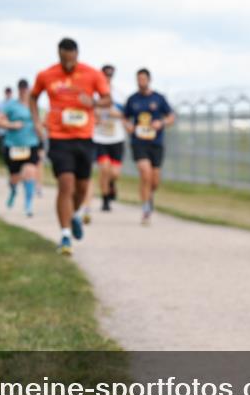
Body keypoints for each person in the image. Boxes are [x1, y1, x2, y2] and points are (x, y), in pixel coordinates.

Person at [30, 38, 111, 255]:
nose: (67, 64)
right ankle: (65, 235)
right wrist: (37, 122)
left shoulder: (92, 74)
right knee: (66, 184)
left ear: (77, 55)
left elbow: (107, 99)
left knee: (82, 188)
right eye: (63, 59)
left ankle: (74, 215)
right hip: (59, 138)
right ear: (58, 55)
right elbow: (33, 97)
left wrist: (93, 102)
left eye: (71, 59)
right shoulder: (46, 75)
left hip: (84, 137)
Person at [123, 68, 174, 225]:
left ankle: (149, 196)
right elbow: (125, 118)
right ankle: (145, 209)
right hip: (139, 142)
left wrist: (162, 123)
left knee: (154, 180)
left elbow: (171, 116)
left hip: (156, 143)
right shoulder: (132, 99)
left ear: (149, 80)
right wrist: (128, 126)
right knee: (145, 173)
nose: (141, 82)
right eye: (138, 79)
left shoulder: (159, 98)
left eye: (143, 79)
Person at [0, 79, 41, 217]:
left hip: (31, 144)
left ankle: (28, 205)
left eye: (26, 88)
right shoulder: (11, 105)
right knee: (14, 177)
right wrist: (11, 125)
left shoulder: (34, 105)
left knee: (30, 172)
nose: (24, 91)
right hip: (13, 145)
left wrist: (40, 132)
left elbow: (38, 122)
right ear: (18, 90)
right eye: (22, 88)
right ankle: (13, 190)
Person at [90, 64, 127, 214]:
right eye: (105, 75)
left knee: (114, 173)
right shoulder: (93, 94)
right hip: (100, 138)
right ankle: (105, 200)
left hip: (116, 138)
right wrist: (95, 117)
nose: (107, 78)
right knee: (104, 169)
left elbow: (126, 114)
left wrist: (113, 113)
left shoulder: (118, 95)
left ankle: (111, 184)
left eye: (110, 75)